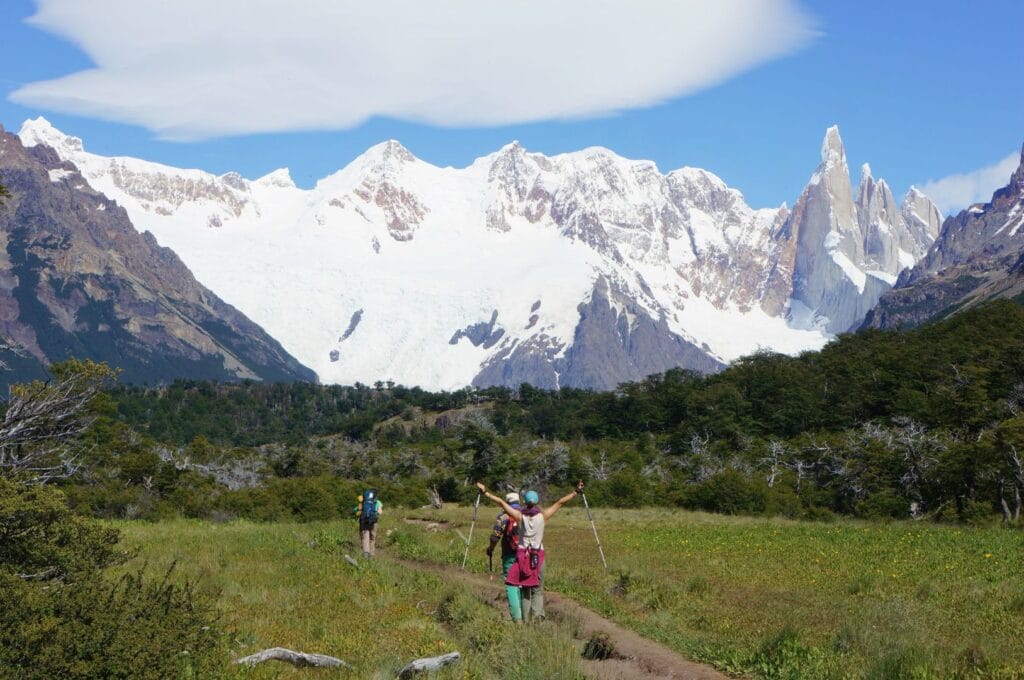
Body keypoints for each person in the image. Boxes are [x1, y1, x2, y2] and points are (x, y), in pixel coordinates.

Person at [475, 480, 585, 623]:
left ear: (524, 502)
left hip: (523, 558)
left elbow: (501, 503)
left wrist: (485, 492)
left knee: (525, 590)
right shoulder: (543, 516)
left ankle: (526, 621)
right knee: (538, 590)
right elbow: (560, 503)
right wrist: (575, 492)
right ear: (537, 501)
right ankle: (538, 616)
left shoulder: (520, 517)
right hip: (538, 556)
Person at [486, 491, 523, 622]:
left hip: (510, 555)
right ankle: (527, 616)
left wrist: (490, 549)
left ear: (507, 503)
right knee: (524, 584)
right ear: (519, 502)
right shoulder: (526, 514)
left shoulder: (503, 516)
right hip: (528, 555)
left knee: (511, 585)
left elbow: (495, 536)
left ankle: (517, 619)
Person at [353, 489, 383, 558]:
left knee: (365, 537)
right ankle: (371, 554)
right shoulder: (378, 502)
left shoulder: (363, 501)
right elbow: (380, 512)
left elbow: (356, 510)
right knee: (372, 538)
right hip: (373, 522)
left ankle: (366, 553)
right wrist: (375, 514)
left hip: (363, 521)